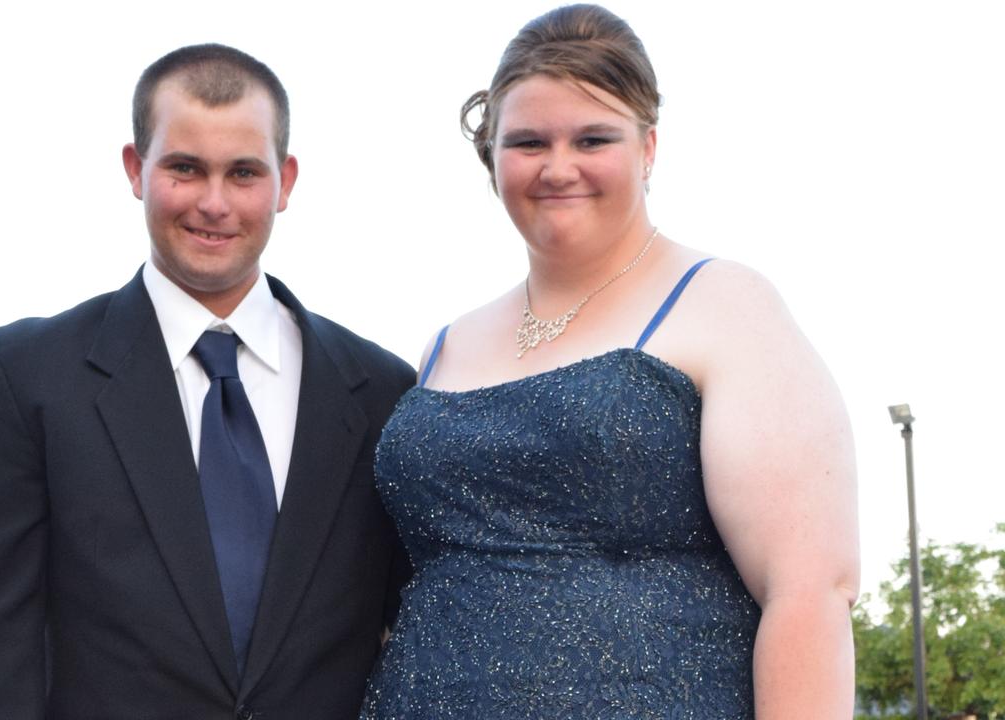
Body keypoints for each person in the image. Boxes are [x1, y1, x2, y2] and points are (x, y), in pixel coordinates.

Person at [360, 5, 859, 719]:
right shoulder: (445, 343)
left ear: (649, 147)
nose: (558, 167)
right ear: (491, 155)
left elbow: (810, 590)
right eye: (528, 141)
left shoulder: (726, 305)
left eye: (593, 138)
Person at [0, 44, 414, 720]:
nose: (214, 203)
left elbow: (415, 636)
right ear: (136, 168)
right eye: (185, 169)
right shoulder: (28, 381)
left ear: (286, 180)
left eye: (244, 172)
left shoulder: (383, 391)